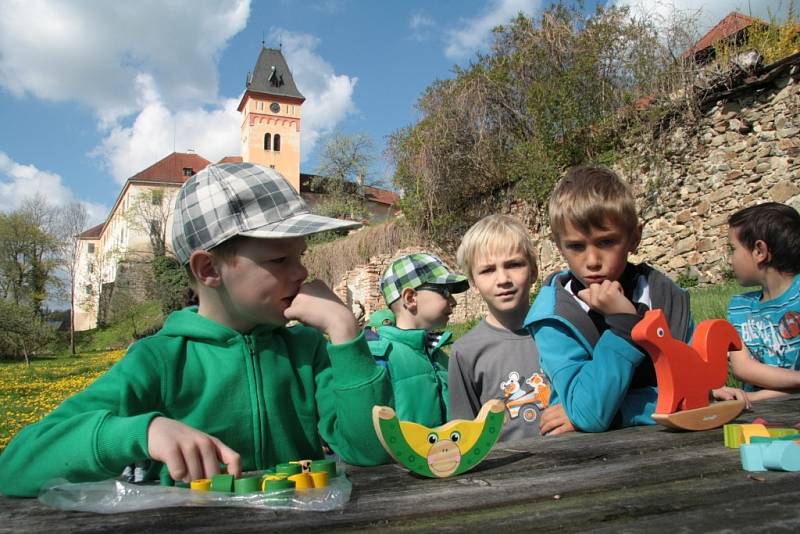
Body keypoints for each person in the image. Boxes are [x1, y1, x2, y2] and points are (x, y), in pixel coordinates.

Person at [0, 162, 393, 497]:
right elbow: (15, 467)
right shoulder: (160, 360)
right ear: (208, 270)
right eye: (279, 259)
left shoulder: (306, 349)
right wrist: (143, 431)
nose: (303, 272)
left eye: (301, 256)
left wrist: (345, 332)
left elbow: (368, 452)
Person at [525, 165, 746, 435]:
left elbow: (692, 391)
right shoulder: (554, 317)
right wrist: (623, 327)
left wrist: (619, 411)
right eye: (576, 246)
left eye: (606, 242)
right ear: (559, 246)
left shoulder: (665, 296)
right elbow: (589, 413)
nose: (592, 261)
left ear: (634, 237)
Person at [448, 214, 551, 441]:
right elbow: (464, 435)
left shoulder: (561, 331)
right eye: (487, 270)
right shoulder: (465, 352)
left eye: (513, 265)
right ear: (473, 284)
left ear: (533, 271)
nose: (503, 279)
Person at [369, 253, 469, 426]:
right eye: (445, 292)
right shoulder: (382, 358)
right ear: (410, 298)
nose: (453, 301)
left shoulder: (438, 353)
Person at [726, 202, 800, 400]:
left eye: (732, 249)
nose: (729, 260)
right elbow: (743, 369)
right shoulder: (740, 308)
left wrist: (752, 398)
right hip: (757, 416)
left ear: (760, 251)